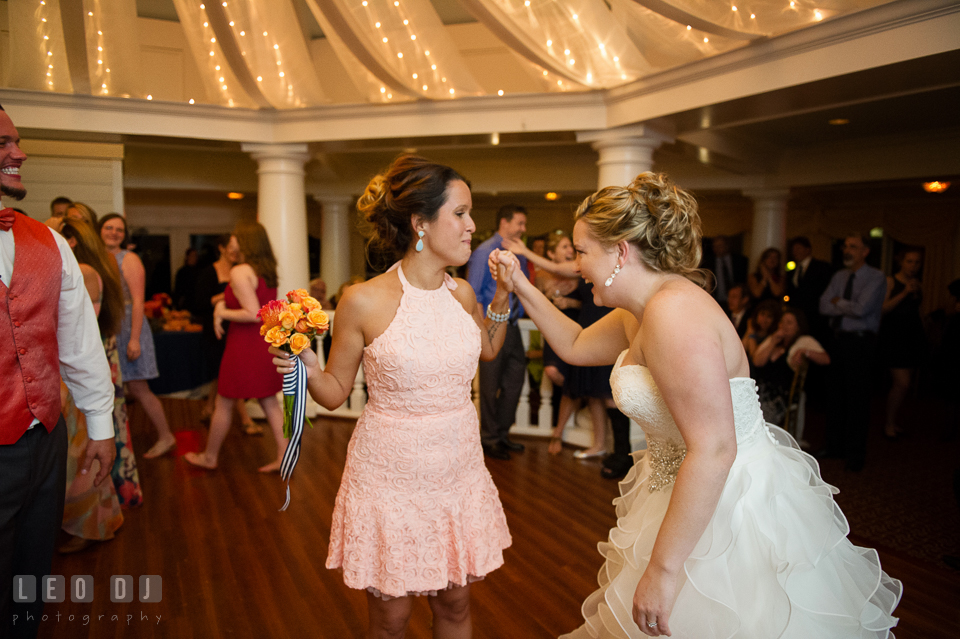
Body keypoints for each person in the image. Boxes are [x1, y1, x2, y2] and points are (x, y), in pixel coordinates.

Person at [491, 171, 900, 637]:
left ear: (620, 252)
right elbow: (578, 344)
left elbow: (715, 449)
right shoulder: (639, 311)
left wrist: (664, 572)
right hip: (677, 485)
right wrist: (520, 287)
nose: (576, 267)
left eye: (582, 252)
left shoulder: (675, 313)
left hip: (729, 502)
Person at [271, 155, 512, 638]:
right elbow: (336, 393)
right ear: (420, 223)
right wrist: (310, 368)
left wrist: (501, 297)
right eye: (460, 214)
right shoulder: (363, 301)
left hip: (457, 471)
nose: (472, 226)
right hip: (391, 479)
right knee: (391, 618)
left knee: (456, 604)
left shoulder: (462, 294)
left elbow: (486, 349)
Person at [0, 105, 116, 639]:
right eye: (3, 143)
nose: (19, 152)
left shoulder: (50, 244)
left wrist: (100, 425)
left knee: (30, 575)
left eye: (16, 141)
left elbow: (78, 342)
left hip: (44, 437)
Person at [57, 218, 143, 553]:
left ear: (72, 241)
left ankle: (93, 522)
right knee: (94, 442)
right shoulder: (96, 266)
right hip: (89, 363)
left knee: (87, 448)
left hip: (82, 367)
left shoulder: (85, 270)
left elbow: (78, 332)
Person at [184, 221, 287, 472]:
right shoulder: (265, 269)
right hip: (263, 343)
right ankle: (285, 457)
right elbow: (254, 300)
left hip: (245, 344)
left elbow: (254, 313)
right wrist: (221, 303)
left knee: (225, 401)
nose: (232, 242)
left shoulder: (240, 271)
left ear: (247, 242)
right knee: (269, 403)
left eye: (236, 238)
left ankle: (209, 457)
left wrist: (221, 313)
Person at [99, 213, 176, 459]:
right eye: (109, 227)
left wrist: (134, 338)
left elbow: (139, 300)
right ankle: (115, 441)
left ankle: (166, 436)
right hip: (109, 325)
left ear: (125, 235)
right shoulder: (97, 258)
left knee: (139, 386)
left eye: (119, 230)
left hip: (129, 325)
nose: (114, 232)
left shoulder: (129, 259)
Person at [466, 204, 529, 460]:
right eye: (520, 224)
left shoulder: (520, 254)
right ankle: (489, 438)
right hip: (491, 323)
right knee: (490, 387)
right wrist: (483, 329)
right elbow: (474, 291)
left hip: (513, 326)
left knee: (515, 381)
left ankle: (502, 434)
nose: (523, 229)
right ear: (504, 223)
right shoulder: (484, 252)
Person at [819, 234, 886, 472]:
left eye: (853, 247)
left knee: (857, 399)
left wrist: (838, 302)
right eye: (845, 246)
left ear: (865, 251)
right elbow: (823, 305)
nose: (847, 251)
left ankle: (855, 453)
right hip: (836, 342)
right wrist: (841, 304)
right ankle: (834, 446)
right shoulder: (839, 276)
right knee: (835, 396)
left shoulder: (876, 277)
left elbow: (862, 310)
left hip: (860, 344)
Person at [191, 234, 259, 433]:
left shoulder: (243, 271)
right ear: (221, 248)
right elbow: (199, 304)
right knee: (228, 373)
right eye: (231, 247)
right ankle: (246, 419)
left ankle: (208, 408)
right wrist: (228, 294)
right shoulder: (208, 273)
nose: (235, 252)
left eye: (238, 248)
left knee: (221, 374)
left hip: (238, 328)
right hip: (216, 331)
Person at [752, 307, 830, 426]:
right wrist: (773, 342)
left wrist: (805, 351)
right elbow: (757, 362)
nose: (784, 326)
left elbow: (826, 359)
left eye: (789, 323)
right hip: (760, 391)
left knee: (759, 415)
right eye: (782, 322)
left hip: (780, 395)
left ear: (798, 326)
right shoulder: (774, 339)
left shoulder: (803, 340)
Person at [879, 247, 925, 440]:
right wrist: (904, 292)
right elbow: (882, 309)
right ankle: (888, 422)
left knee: (906, 384)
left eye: (916, 262)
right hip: (895, 337)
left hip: (912, 336)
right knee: (902, 384)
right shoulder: (890, 281)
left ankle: (893, 420)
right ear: (901, 262)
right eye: (909, 261)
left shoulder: (918, 284)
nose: (913, 266)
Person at [785, 236, 833, 341]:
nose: (795, 252)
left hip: (815, 318)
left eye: (798, 248)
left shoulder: (821, 267)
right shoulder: (793, 270)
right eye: (793, 249)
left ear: (808, 250)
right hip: (798, 318)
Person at [704, 235, 747, 310]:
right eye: (715, 246)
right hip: (716, 300)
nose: (716, 249)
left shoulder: (739, 260)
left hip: (737, 302)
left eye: (720, 246)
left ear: (727, 246)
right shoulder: (709, 262)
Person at [741, 299, 781, 369]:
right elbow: (741, 350)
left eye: (769, 316)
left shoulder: (773, 337)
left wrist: (751, 333)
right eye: (762, 314)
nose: (764, 319)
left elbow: (753, 356)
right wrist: (749, 330)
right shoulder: (752, 329)